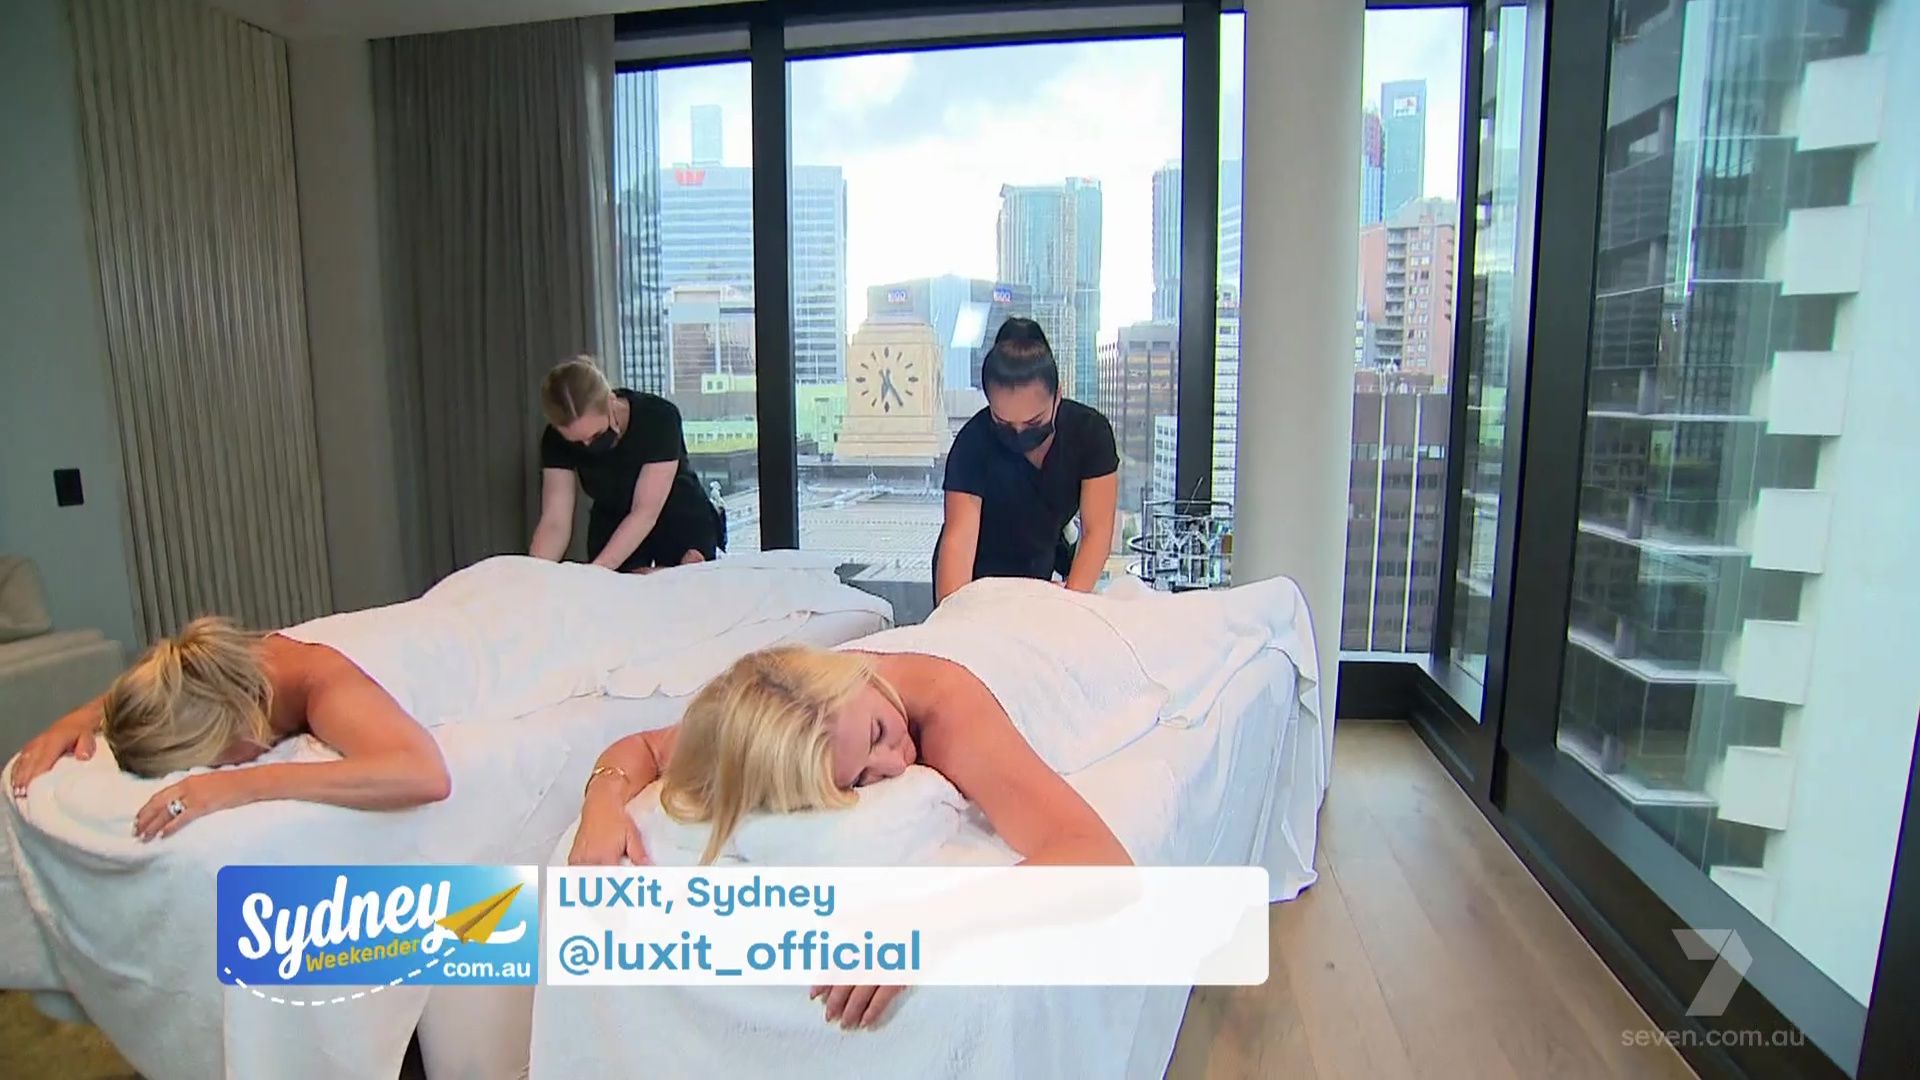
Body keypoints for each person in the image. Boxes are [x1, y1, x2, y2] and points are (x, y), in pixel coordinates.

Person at [566, 638, 1132, 1030]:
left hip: (1040, 649)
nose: (896, 763)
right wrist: (604, 799)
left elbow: (1101, 860)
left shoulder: (948, 714)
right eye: (860, 779)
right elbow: (649, 746)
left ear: (861, 676)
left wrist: (926, 922)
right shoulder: (771, 709)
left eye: (880, 732)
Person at [6, 616, 450, 839]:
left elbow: (425, 774)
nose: (210, 769)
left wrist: (242, 785)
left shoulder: (322, 686)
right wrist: (81, 717)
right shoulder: (214, 668)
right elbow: (174, 677)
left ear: (239, 725)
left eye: (208, 761)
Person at [933, 319, 1119, 606]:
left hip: (1038, 574)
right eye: (1004, 423)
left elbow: (1097, 532)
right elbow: (958, 541)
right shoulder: (973, 444)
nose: (1019, 434)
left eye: (1034, 422)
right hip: (976, 580)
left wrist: (1072, 601)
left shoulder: (1089, 434)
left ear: (1058, 396)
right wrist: (956, 617)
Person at [530, 357, 722, 573]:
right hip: (612, 519)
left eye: (596, 435)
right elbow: (555, 522)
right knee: (616, 587)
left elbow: (645, 512)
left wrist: (596, 573)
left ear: (611, 401)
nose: (587, 445)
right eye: (577, 441)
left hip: (675, 515)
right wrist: (534, 574)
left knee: (676, 581)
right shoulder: (555, 440)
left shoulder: (658, 417)